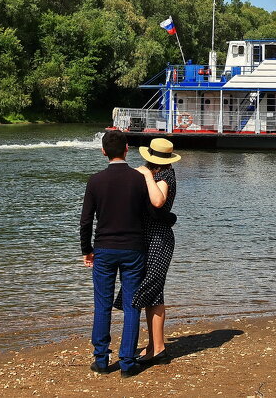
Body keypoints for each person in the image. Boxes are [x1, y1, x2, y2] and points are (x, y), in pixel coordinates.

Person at [79, 132, 149, 378]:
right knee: (132, 305)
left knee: (102, 304)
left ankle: (101, 359)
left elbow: (86, 221)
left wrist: (87, 250)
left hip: (105, 249)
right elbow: (148, 214)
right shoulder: (138, 179)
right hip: (133, 248)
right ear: (127, 149)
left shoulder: (95, 181)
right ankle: (128, 363)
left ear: (103, 151)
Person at [131, 138, 180, 363]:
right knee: (152, 291)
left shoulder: (165, 175)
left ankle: (158, 348)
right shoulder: (150, 173)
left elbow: (158, 202)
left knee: (153, 290)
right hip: (147, 237)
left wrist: (148, 176)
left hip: (159, 238)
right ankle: (154, 345)